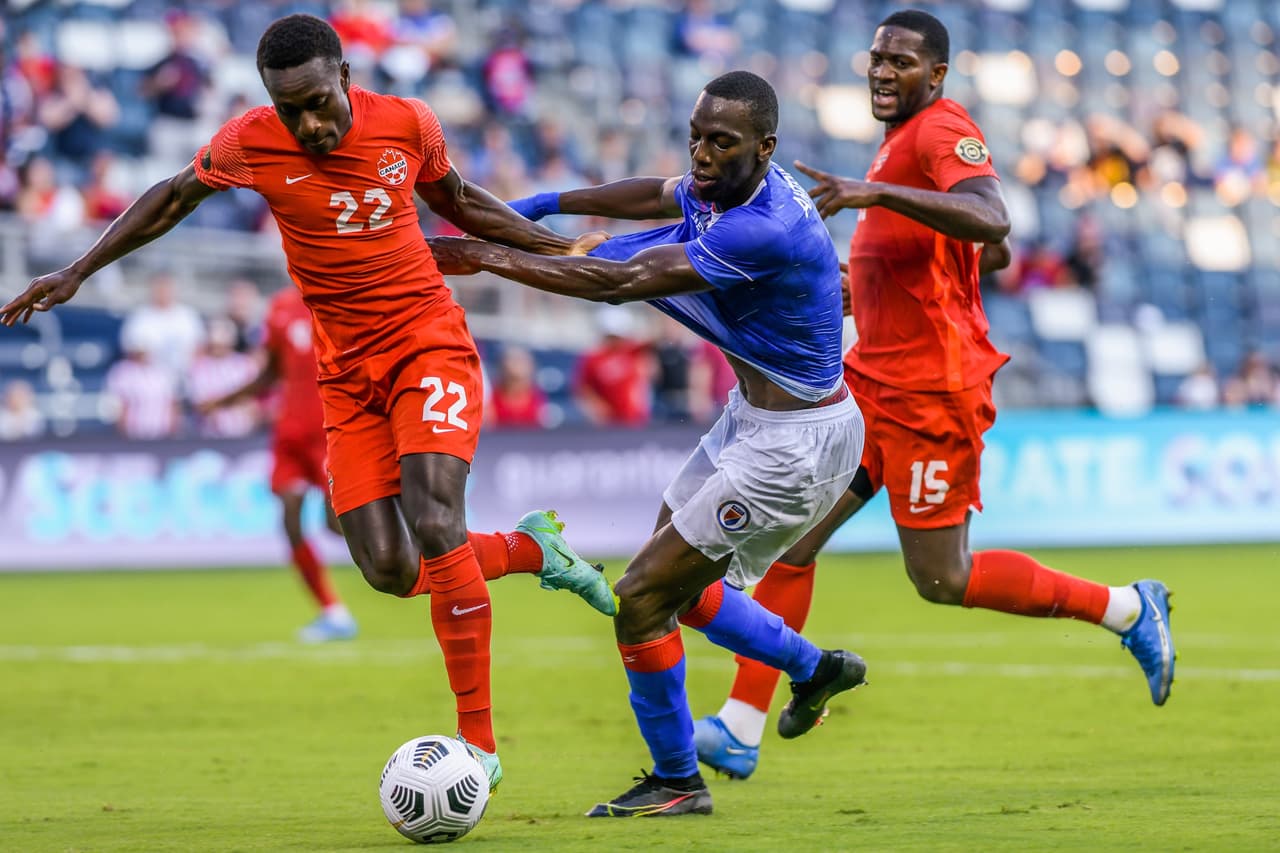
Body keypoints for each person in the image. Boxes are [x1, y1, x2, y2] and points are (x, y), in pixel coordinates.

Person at [0, 13, 615, 793]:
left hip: (428, 342)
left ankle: (479, 747)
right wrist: (80, 270)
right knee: (389, 570)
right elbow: (170, 197)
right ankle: (534, 551)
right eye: (290, 108)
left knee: (435, 522)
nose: (309, 122)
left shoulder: (407, 124)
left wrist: (555, 245)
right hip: (346, 377)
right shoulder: (249, 141)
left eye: (319, 102)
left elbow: (460, 203)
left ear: (346, 79)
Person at [680, 10, 1176, 781]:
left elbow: (994, 215)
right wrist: (865, 286)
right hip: (878, 381)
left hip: (933, 392)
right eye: (876, 57)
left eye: (901, 61)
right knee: (794, 543)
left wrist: (877, 195)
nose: (882, 70)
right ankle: (741, 724)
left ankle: (1126, 607)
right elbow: (988, 245)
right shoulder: (903, 138)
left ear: (935, 74)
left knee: (941, 578)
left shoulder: (942, 130)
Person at [428, 70, 868, 818]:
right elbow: (655, 194)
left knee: (639, 597)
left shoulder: (760, 227)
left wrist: (485, 256)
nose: (700, 154)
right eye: (696, 136)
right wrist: (543, 204)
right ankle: (812, 665)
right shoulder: (729, 179)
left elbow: (622, 281)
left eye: (719, 142)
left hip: (795, 446)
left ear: (765, 148)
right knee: (678, 588)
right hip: (755, 415)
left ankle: (676, 780)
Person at [198, 286, 357, 642]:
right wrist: (224, 401)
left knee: (336, 523)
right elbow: (270, 373)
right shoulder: (281, 306)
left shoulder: (341, 296)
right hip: (290, 432)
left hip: (330, 429)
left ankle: (415, 557)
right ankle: (333, 612)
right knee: (289, 515)